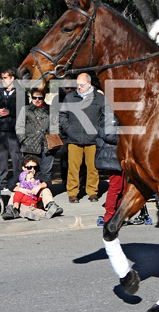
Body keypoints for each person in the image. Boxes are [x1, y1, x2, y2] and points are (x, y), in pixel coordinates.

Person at [60, 73, 104, 203]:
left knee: (93, 168)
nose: (78, 87)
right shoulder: (70, 97)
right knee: (73, 168)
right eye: (77, 84)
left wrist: (97, 130)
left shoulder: (99, 98)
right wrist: (69, 130)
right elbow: (62, 115)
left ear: (89, 84)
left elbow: (106, 115)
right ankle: (72, 193)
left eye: (81, 85)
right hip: (74, 139)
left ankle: (92, 192)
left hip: (93, 139)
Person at [0, 68, 23, 193]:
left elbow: (23, 109)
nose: (3, 80)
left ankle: (17, 181)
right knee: (2, 157)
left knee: (16, 157)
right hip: (1, 130)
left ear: (12, 78)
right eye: (2, 78)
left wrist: (10, 112)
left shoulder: (20, 92)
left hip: (14, 130)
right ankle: (3, 182)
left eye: (5, 78)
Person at [17, 88, 55, 185]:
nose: (37, 100)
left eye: (40, 97)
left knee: (46, 171)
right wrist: (23, 140)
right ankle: (30, 190)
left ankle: (45, 192)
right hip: (30, 144)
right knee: (31, 170)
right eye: (34, 98)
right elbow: (19, 126)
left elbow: (56, 125)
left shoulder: (51, 110)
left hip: (47, 144)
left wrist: (54, 137)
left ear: (44, 97)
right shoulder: (25, 109)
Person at [95, 110, 123, 226]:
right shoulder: (110, 116)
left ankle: (119, 214)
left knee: (124, 187)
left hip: (121, 155)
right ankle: (109, 215)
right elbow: (108, 135)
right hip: (113, 156)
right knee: (115, 187)